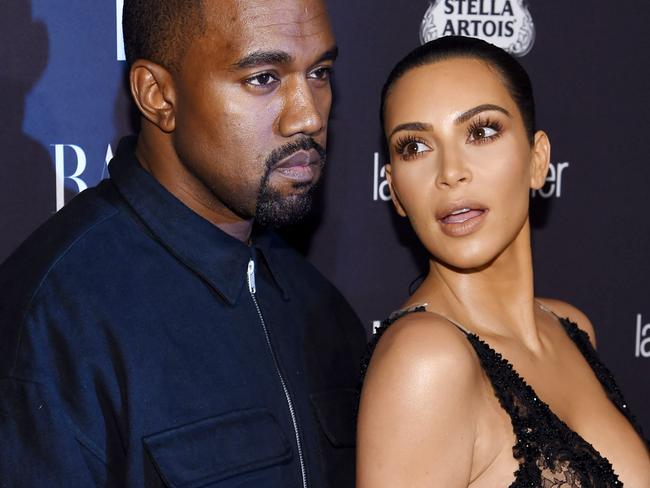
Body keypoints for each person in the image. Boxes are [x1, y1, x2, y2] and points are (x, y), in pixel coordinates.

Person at [0, 0, 367, 486]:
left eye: (319, 72)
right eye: (264, 78)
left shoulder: (322, 309)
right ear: (158, 95)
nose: (308, 117)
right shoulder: (55, 322)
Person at [357, 36, 650, 487]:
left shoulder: (570, 327)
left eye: (481, 132)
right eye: (415, 147)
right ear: (394, 190)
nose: (450, 171)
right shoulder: (425, 363)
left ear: (537, 161)